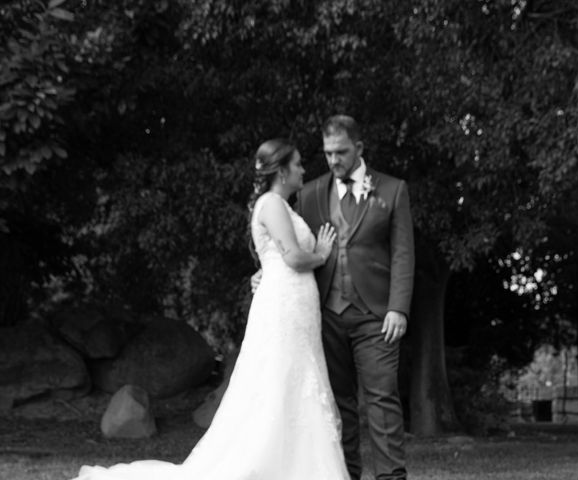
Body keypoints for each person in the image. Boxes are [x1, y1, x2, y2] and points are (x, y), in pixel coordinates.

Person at [71, 138, 350, 480]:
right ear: (281, 170)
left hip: (296, 306)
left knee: (294, 381)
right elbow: (292, 257)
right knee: (279, 381)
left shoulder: (282, 206)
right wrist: (321, 253)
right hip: (284, 307)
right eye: (298, 163)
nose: (304, 169)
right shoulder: (273, 204)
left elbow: (276, 257)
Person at [295, 115, 414, 480]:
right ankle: (346, 474)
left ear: (359, 148)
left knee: (381, 400)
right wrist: (263, 276)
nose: (333, 160)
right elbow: (292, 245)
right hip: (327, 314)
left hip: (376, 315)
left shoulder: (392, 190)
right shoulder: (310, 193)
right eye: (328, 153)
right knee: (338, 403)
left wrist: (398, 308)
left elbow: (403, 253)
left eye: (341, 152)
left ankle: (391, 477)